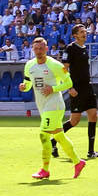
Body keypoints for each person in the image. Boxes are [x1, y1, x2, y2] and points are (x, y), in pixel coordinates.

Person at [19, 37, 85, 180]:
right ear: (33, 50)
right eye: (36, 49)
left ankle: (45, 170)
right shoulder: (29, 65)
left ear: (47, 49)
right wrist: (24, 88)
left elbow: (69, 83)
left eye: (41, 48)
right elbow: (28, 84)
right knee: (59, 136)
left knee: (44, 135)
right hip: (42, 106)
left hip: (54, 105)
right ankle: (78, 162)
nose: (39, 51)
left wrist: (53, 89)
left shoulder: (54, 65)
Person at [59, 25, 98, 159]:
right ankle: (54, 140)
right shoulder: (70, 49)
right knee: (74, 120)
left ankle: (91, 151)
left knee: (93, 115)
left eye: (85, 32)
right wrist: (69, 88)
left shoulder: (84, 49)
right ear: (75, 35)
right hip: (76, 89)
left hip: (87, 87)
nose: (85, 34)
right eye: (82, 32)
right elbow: (63, 70)